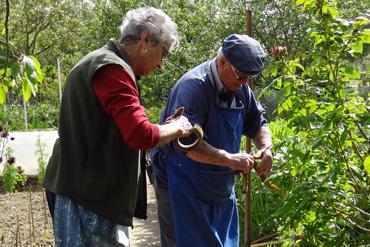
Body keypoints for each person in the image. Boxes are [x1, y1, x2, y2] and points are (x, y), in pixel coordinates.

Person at [42, 7, 194, 247]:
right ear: (145, 39)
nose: (161, 65)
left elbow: (118, 128)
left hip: (82, 193)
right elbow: (140, 135)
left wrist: (161, 130)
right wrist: (179, 128)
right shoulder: (113, 70)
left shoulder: (103, 62)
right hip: (88, 199)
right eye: (162, 54)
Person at [150, 34, 273, 247]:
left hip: (218, 187)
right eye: (241, 75)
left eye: (249, 78)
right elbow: (187, 145)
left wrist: (266, 148)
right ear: (222, 61)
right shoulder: (193, 87)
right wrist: (230, 159)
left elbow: (258, 121)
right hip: (179, 184)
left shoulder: (240, 87)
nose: (244, 83)